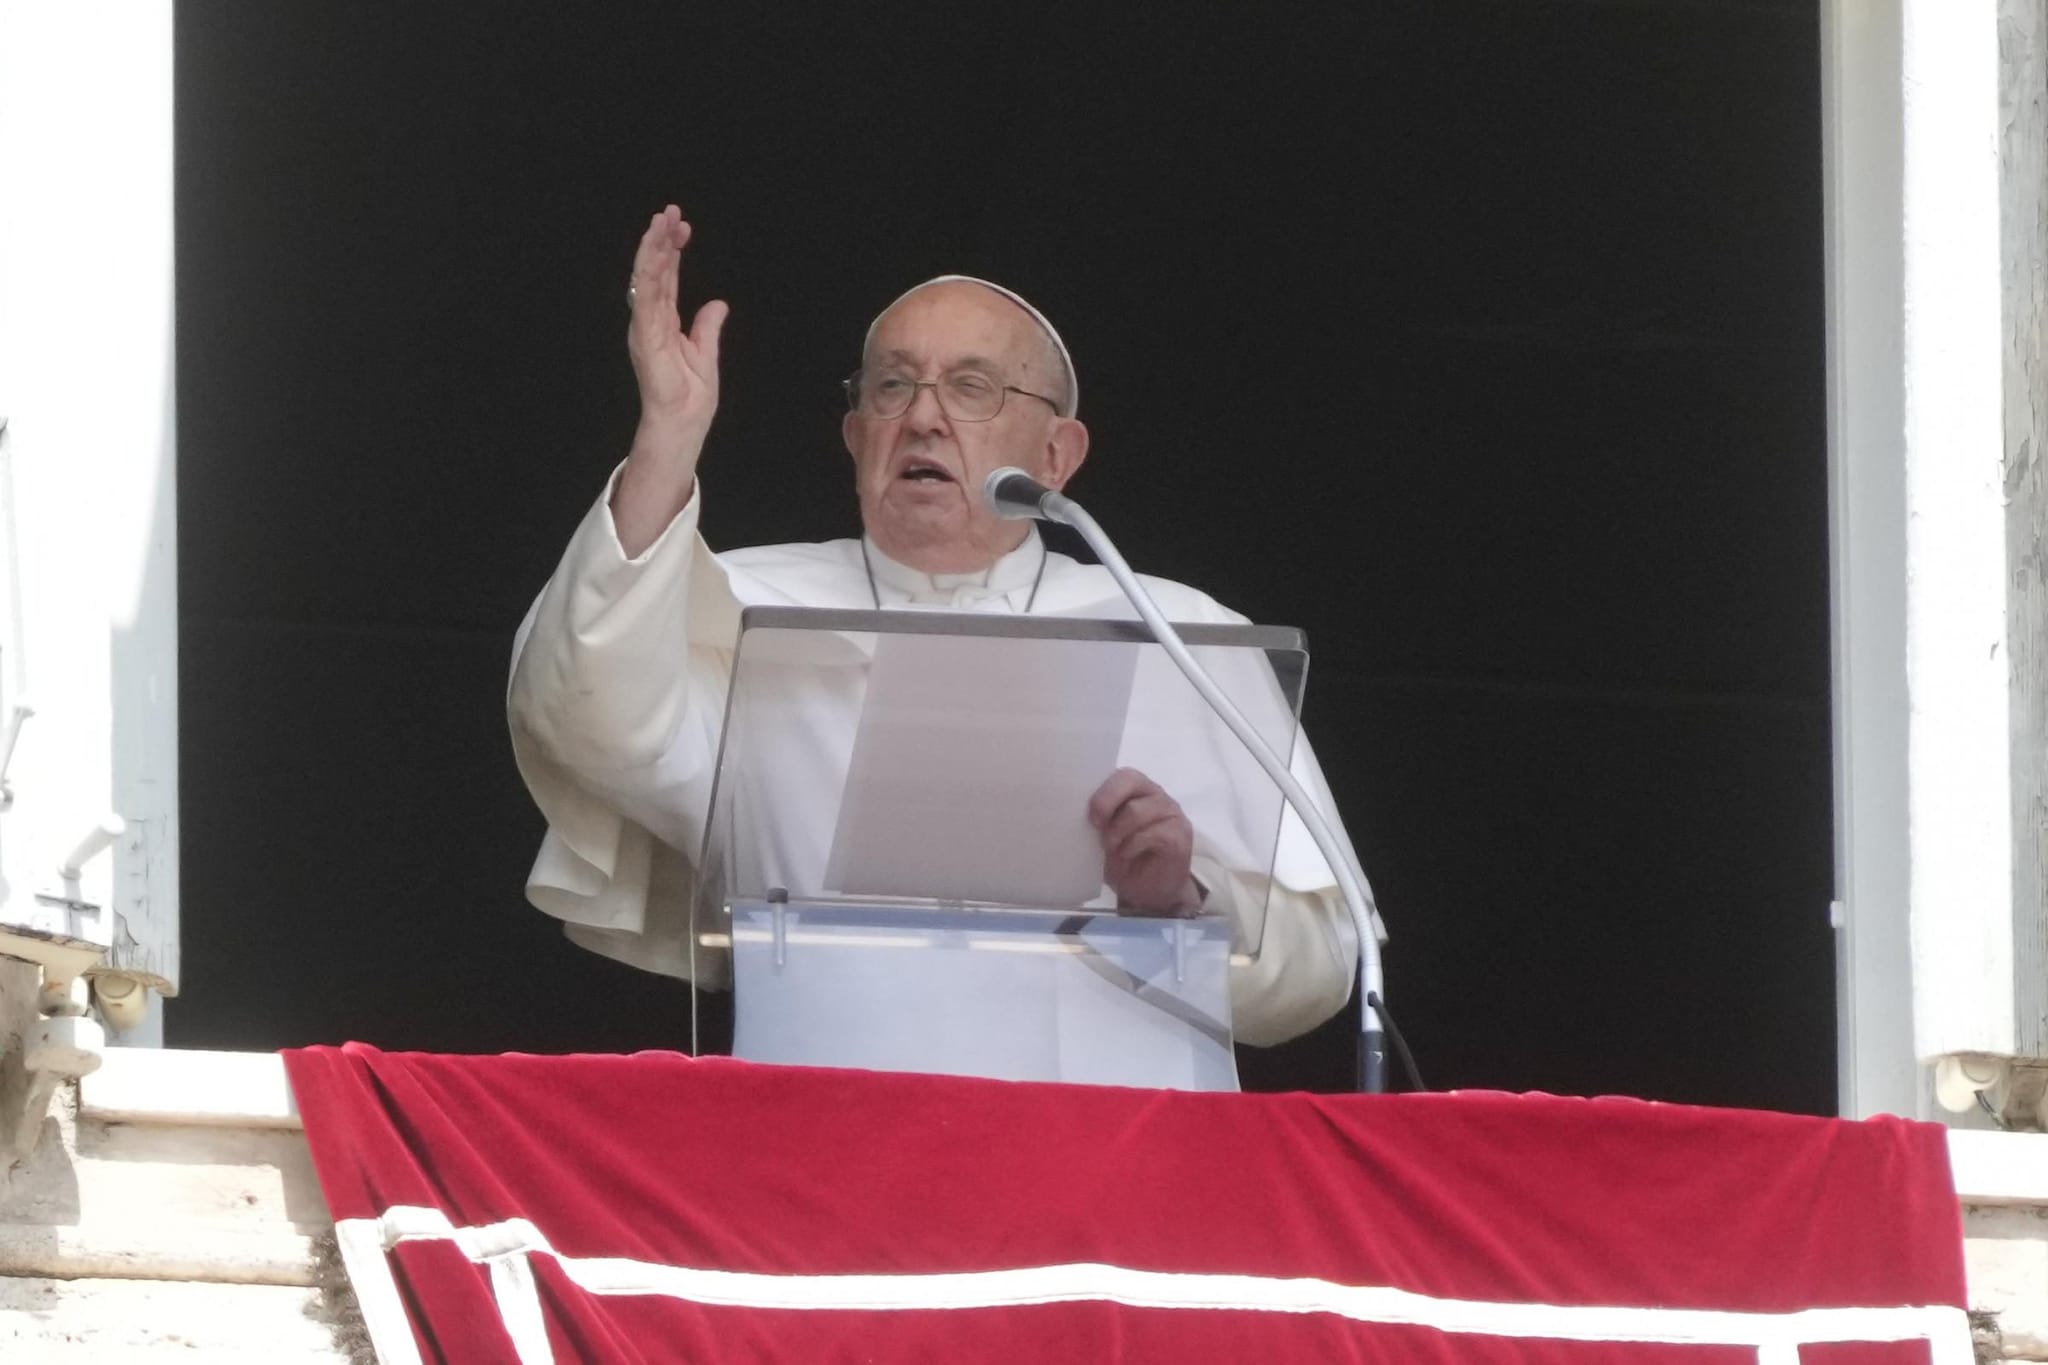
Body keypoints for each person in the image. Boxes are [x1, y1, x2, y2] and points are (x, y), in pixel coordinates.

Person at [508, 205, 1369, 1047]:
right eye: (893, 385)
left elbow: (1327, 958)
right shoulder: (748, 608)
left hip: (1118, 1148)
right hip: (825, 1135)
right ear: (854, 436)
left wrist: (1179, 901)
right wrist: (669, 435)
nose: (924, 416)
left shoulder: (1178, 633)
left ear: (1057, 455)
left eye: (972, 387)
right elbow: (586, 712)